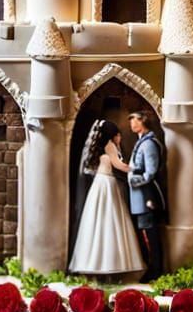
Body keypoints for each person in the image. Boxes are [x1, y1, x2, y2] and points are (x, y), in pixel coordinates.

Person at [68, 119, 144, 277]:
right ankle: (111, 263)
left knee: (96, 221)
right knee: (110, 220)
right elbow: (119, 165)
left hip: (99, 183)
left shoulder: (99, 147)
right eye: (118, 135)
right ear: (113, 135)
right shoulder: (110, 146)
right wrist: (138, 169)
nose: (120, 139)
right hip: (107, 184)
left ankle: (94, 261)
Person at [127, 110, 166, 282]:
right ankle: (152, 267)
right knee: (145, 231)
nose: (131, 123)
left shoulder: (149, 144)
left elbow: (150, 173)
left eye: (134, 119)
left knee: (150, 232)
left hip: (146, 195)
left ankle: (155, 269)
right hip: (139, 196)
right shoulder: (141, 142)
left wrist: (134, 180)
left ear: (143, 121)